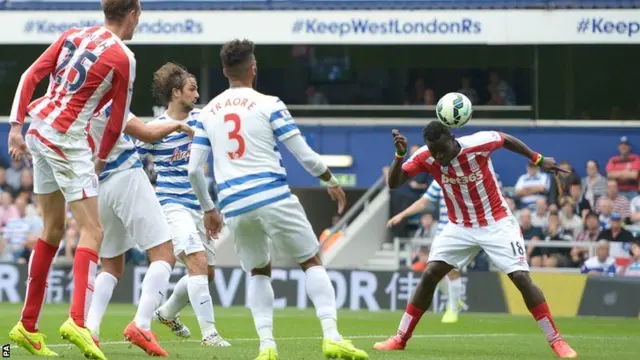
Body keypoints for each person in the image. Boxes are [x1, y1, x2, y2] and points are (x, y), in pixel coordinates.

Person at [187, 39, 368, 360]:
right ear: (253, 68)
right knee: (311, 261)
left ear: (224, 71)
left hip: (233, 204)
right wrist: (330, 179)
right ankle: (332, 336)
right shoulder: (269, 104)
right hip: (272, 194)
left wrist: (209, 209)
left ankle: (267, 346)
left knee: (259, 270)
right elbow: (303, 154)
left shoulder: (207, 113)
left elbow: (193, 171)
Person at [374, 122, 577, 359]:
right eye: (434, 152)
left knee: (521, 277)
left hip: (496, 222)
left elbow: (505, 138)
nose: (438, 157)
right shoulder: (426, 157)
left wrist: (538, 158)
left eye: (441, 150)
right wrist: (400, 155)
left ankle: (556, 340)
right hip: (459, 225)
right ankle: (400, 338)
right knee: (430, 274)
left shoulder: (478, 143)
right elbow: (393, 182)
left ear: (451, 138)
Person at [7, 1, 140, 358]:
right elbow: (116, 121)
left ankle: (27, 326)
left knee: (51, 229)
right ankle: (78, 321)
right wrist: (99, 160)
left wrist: (16, 126)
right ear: (133, 15)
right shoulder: (124, 57)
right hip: (67, 139)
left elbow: (29, 76)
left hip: (38, 130)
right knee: (93, 230)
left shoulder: (73, 35)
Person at [84, 102, 194, 356]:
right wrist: (176, 124)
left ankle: (91, 330)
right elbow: (146, 133)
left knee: (111, 265)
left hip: (97, 186)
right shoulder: (107, 101)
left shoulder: (72, 108)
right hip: (125, 175)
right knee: (165, 253)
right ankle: (142, 325)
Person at [137, 62, 230, 347]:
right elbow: (132, 162)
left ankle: (167, 312)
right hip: (170, 204)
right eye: (192, 88)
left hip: (199, 205)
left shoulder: (203, 119)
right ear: (176, 93)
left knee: (207, 273)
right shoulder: (154, 128)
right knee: (197, 262)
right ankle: (210, 335)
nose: (197, 93)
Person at [387, 180, 464, 323]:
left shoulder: (465, 176)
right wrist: (402, 215)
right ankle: (454, 300)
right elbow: (423, 202)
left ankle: (453, 308)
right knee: (435, 270)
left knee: (452, 270)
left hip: (463, 230)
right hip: (443, 232)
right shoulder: (439, 178)